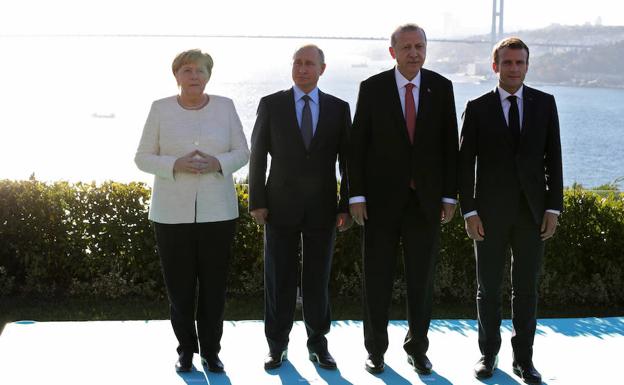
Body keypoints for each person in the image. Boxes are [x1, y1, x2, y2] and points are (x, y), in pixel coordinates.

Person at [348, 24, 458, 375]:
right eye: (407, 46)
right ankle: (375, 351)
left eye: (420, 46)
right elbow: (357, 147)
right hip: (379, 203)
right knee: (376, 279)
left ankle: (418, 349)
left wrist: (448, 196)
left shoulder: (441, 87)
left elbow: (448, 146)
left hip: (424, 203)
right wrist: (356, 195)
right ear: (392, 51)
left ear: (426, 50)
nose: (414, 52)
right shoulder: (373, 88)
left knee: (421, 281)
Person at [134, 49, 249, 373]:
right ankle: (185, 351)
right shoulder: (160, 109)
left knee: (213, 288)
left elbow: (243, 152)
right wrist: (175, 164)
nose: (194, 75)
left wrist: (217, 163)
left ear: (208, 75)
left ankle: (211, 353)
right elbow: (142, 157)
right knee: (180, 289)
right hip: (171, 215)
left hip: (218, 213)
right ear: (177, 76)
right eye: (187, 70)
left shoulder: (225, 107)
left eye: (200, 70)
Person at [458, 37, 563, 384]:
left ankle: (525, 360)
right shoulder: (476, 107)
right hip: (488, 215)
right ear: (495, 66)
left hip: (532, 214)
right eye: (507, 63)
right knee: (488, 288)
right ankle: (488, 355)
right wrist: (469, 212)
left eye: (519, 63)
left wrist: (553, 208)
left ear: (527, 66)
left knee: (527, 289)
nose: (514, 68)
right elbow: (464, 166)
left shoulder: (545, 104)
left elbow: (554, 161)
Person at [248, 44, 352, 371]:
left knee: (317, 280)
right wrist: (257, 201)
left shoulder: (338, 108)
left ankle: (318, 344)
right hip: (278, 206)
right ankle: (277, 345)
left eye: (309, 64)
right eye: (298, 63)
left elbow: (347, 162)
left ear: (322, 69)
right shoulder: (271, 104)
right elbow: (257, 155)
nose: (303, 69)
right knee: (279, 278)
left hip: (323, 208)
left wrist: (345, 204)